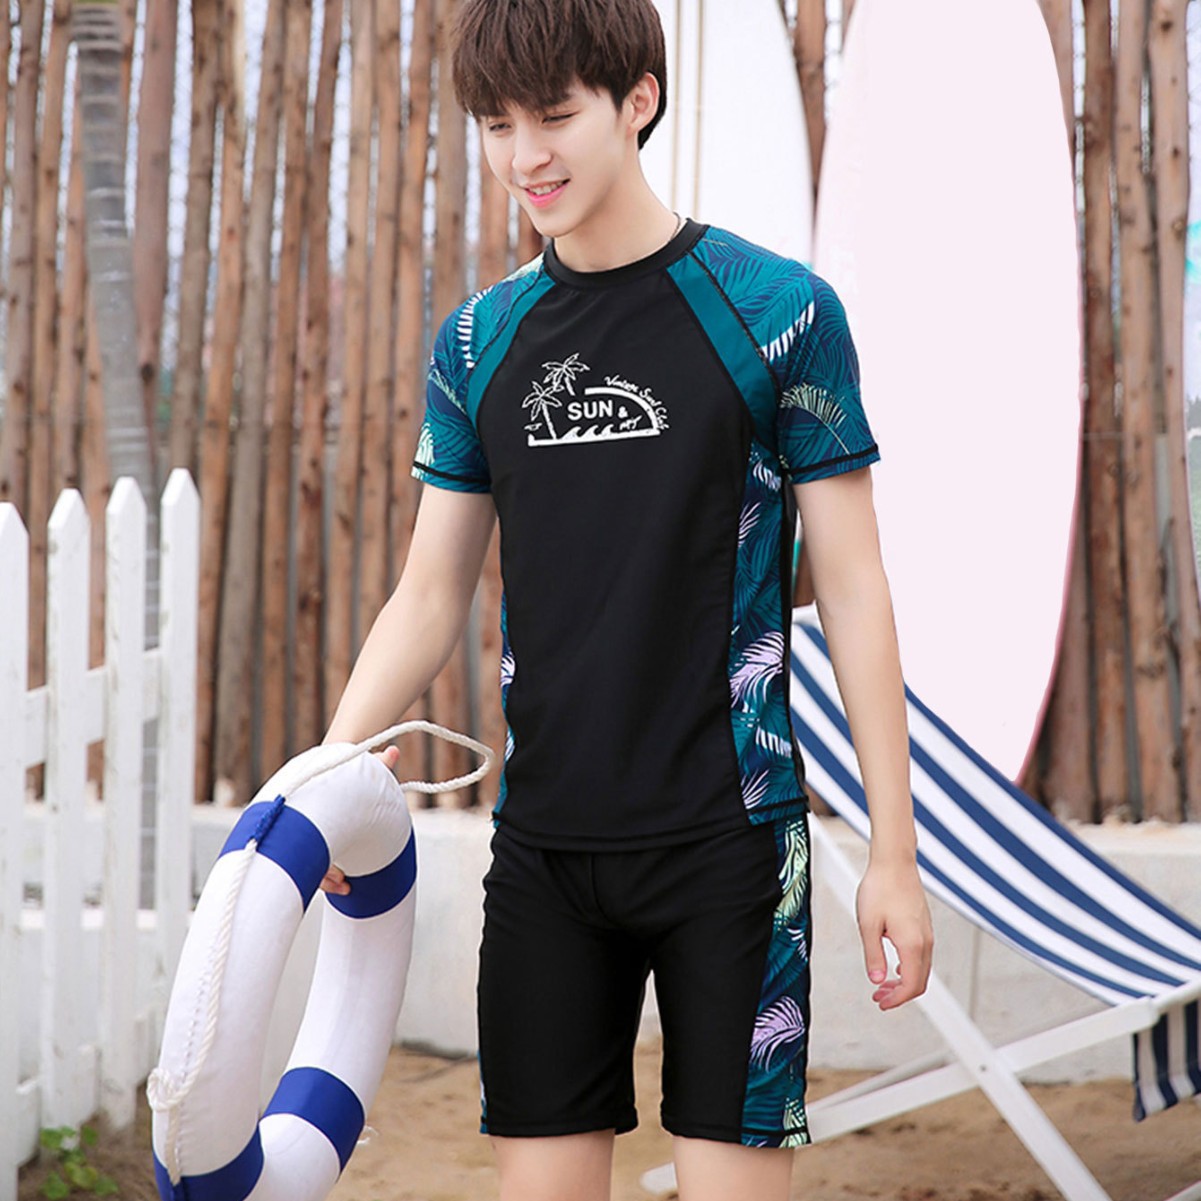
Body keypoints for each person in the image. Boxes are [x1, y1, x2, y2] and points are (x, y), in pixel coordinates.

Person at [321, 2, 934, 1198]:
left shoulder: (781, 315)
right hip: (544, 853)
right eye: (497, 125)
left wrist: (893, 857)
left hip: (732, 850)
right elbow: (427, 593)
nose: (525, 156)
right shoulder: (479, 342)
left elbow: (856, 593)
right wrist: (327, 775)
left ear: (636, 100)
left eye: (554, 116)